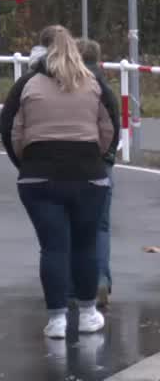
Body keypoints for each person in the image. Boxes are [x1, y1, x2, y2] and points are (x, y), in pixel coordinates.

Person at [0, 26, 119, 339]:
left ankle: (56, 319)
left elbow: (11, 129)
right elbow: (110, 127)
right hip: (87, 173)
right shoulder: (93, 83)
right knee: (85, 245)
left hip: (39, 174)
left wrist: (25, 162)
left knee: (52, 248)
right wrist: (97, 156)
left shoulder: (27, 83)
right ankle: (88, 313)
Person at [78, 37, 115, 309]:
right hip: (100, 163)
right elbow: (114, 124)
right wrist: (108, 155)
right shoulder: (104, 87)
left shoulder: (67, 85)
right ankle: (101, 279)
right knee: (100, 226)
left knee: (71, 224)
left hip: (68, 161)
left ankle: (74, 284)